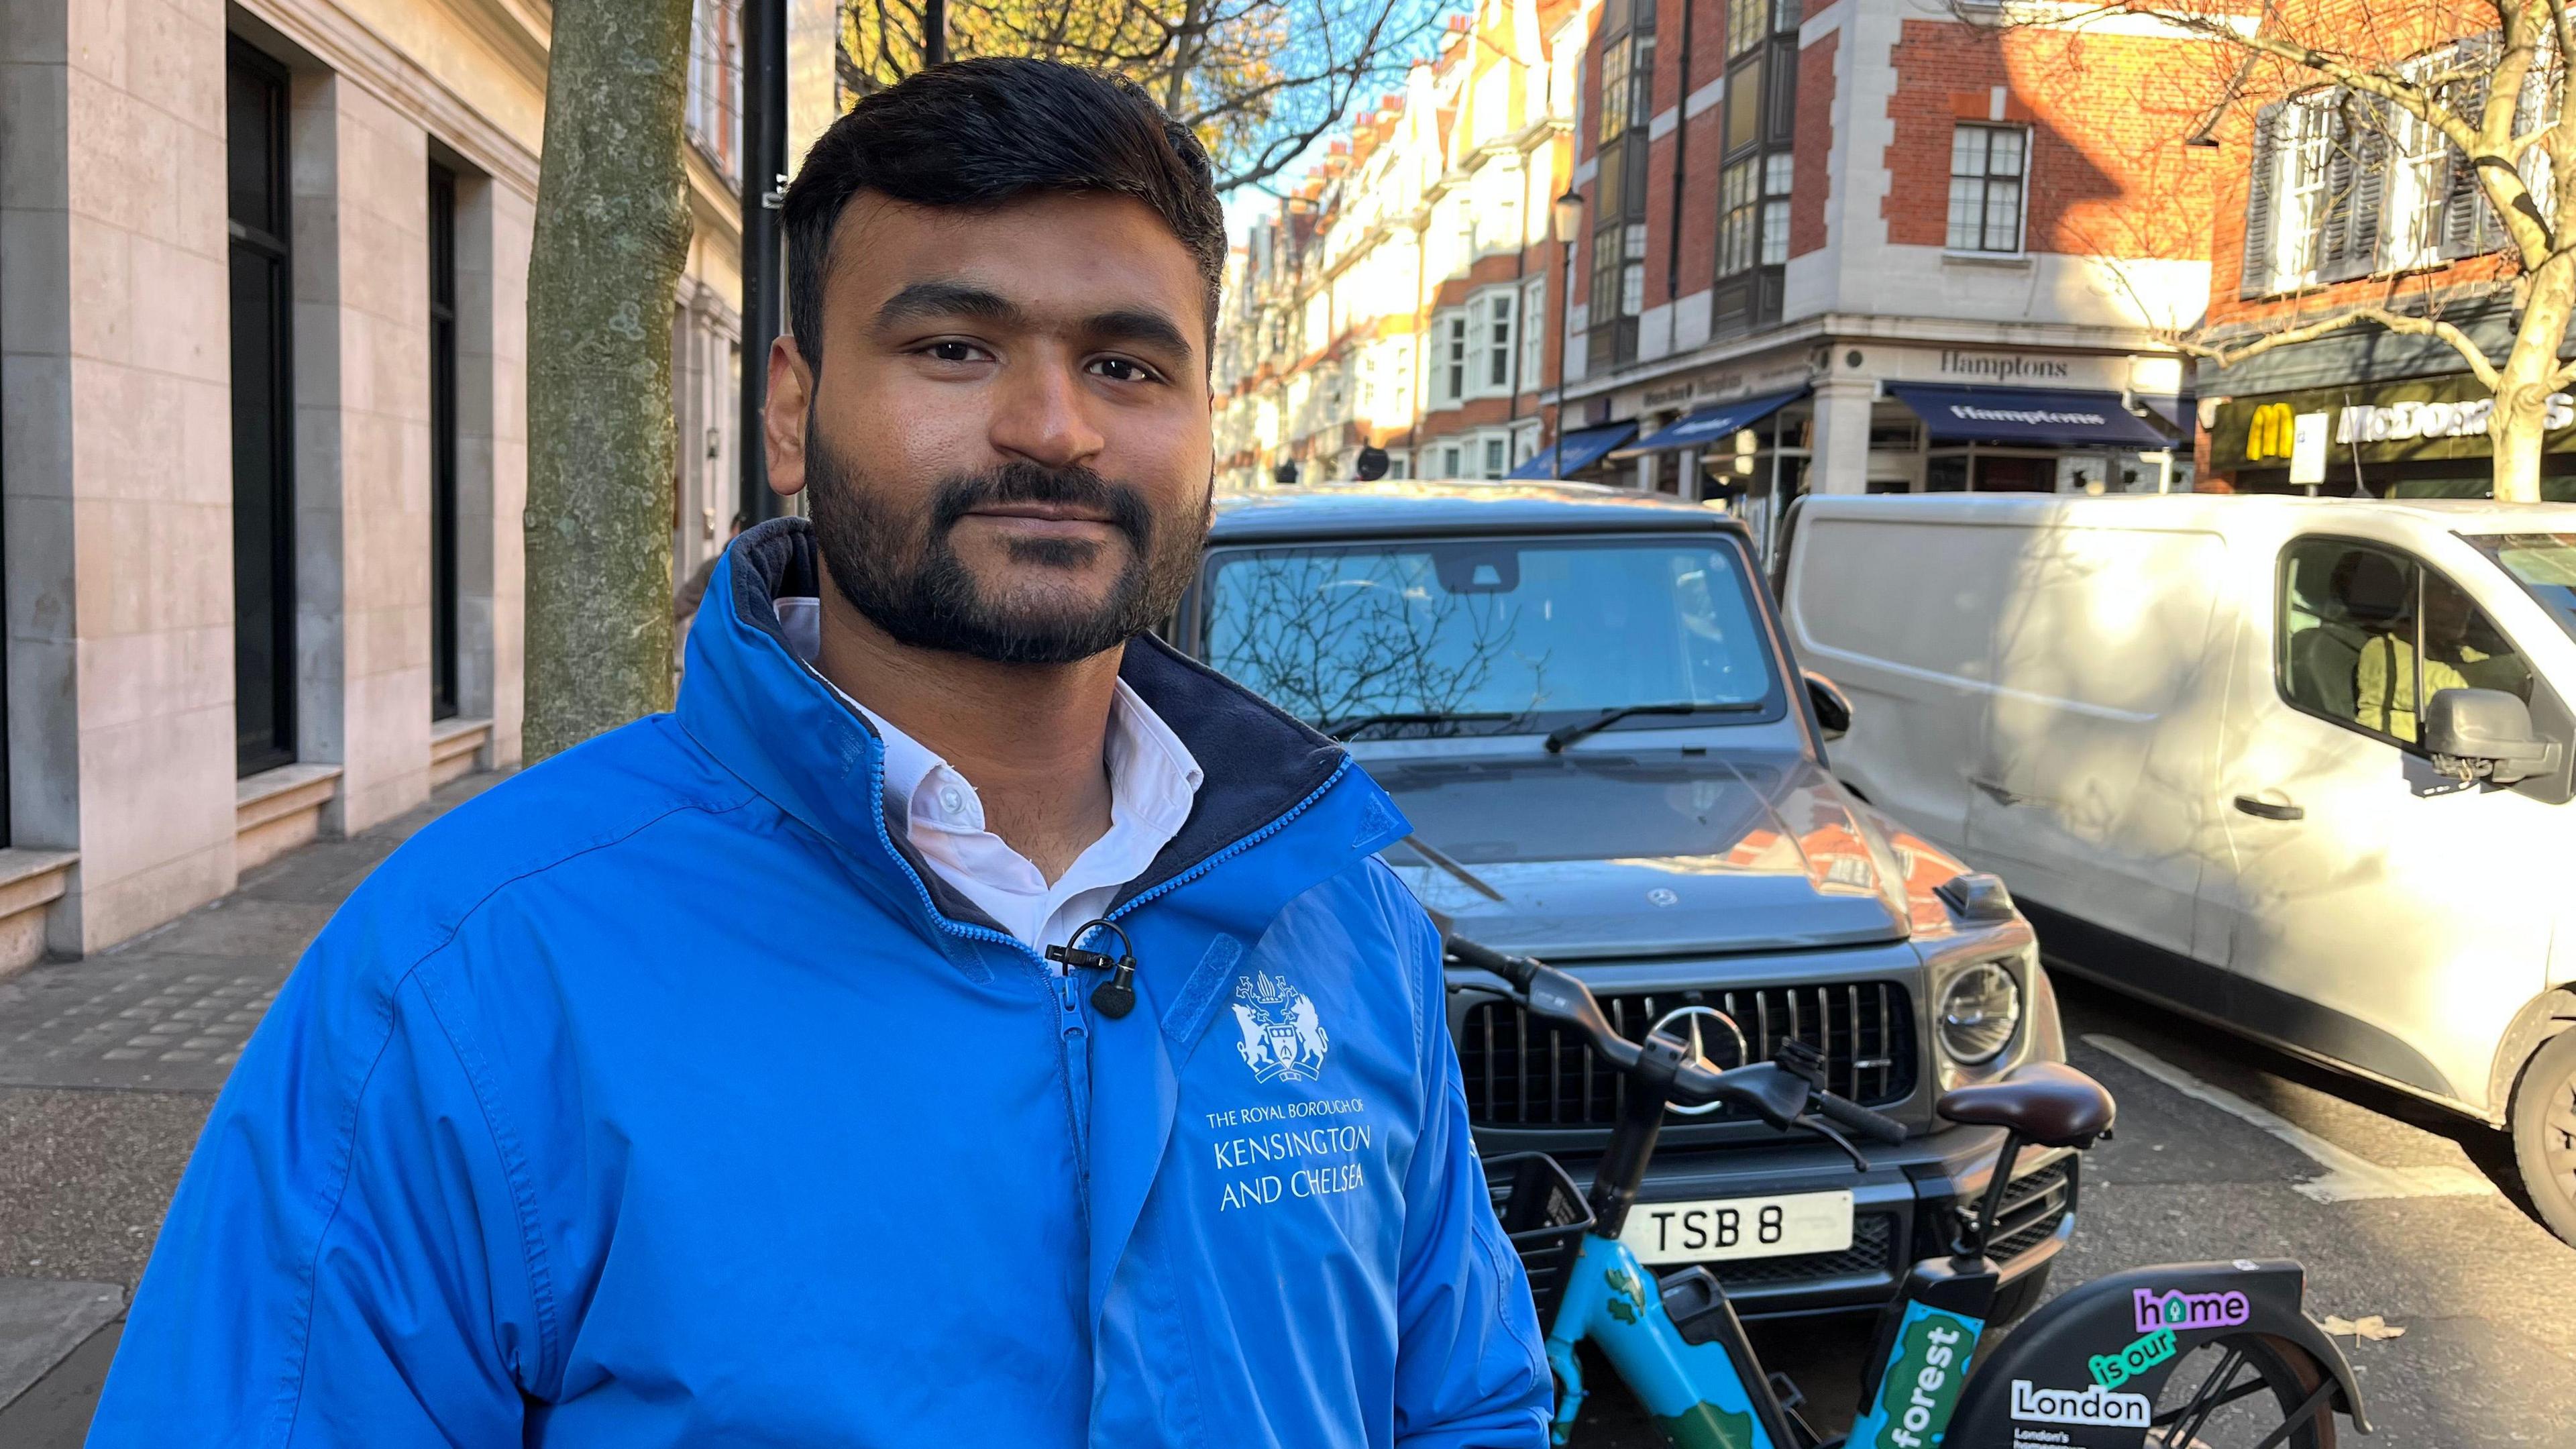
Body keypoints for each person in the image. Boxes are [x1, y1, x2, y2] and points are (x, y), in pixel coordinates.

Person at [88, 58, 1550, 1448]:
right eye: (954, 347)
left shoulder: (1338, 914)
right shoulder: (469, 970)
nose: (1054, 427)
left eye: (1125, 364)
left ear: (1208, 426)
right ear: (792, 409)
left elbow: (1466, 1398)